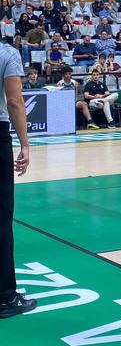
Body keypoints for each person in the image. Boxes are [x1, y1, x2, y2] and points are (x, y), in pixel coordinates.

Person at [0, 40, 36, 318]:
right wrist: (24, 144)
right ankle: (4, 296)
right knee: (1, 218)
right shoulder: (6, 53)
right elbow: (14, 100)